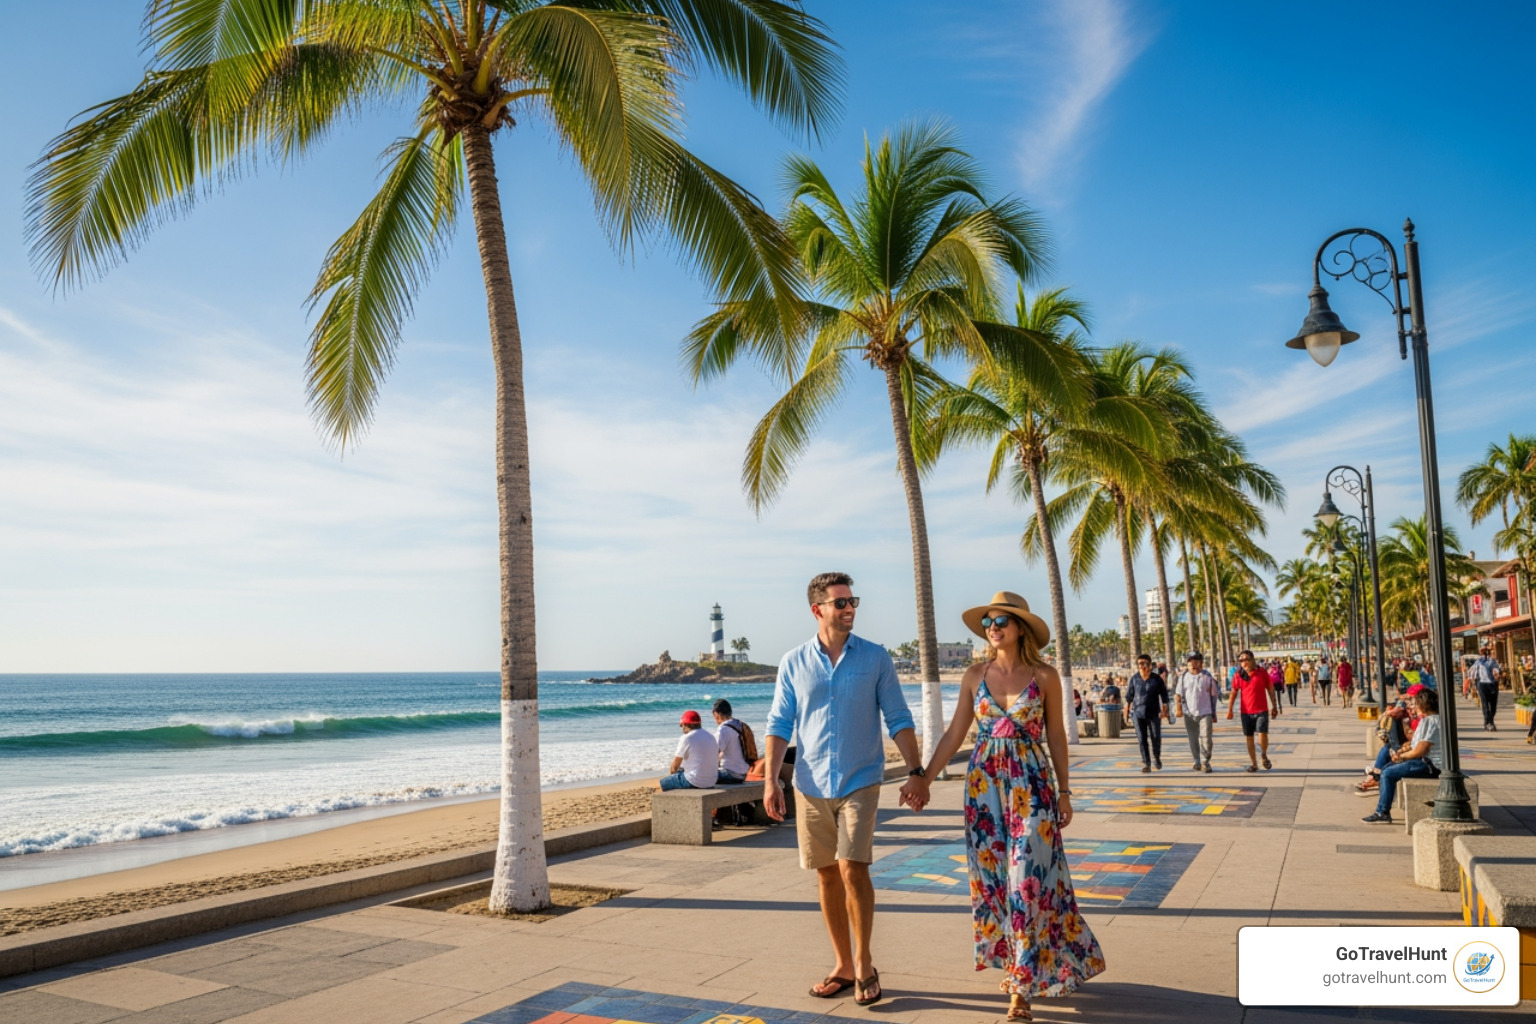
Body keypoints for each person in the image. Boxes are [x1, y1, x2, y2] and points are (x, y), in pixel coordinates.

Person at [901, 591, 1105, 1022]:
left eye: (1002, 620)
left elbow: (1057, 738)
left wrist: (1065, 792)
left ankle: (1022, 987)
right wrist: (924, 776)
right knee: (995, 882)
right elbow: (957, 733)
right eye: (989, 621)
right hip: (983, 790)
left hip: (1032, 787)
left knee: (1026, 879)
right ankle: (1018, 966)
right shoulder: (975, 675)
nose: (993, 626)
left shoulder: (1045, 676)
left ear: (1021, 629)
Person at [763, 572, 920, 1007]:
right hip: (810, 783)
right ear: (817, 610)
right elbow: (779, 725)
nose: (850, 608)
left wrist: (917, 770)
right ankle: (843, 965)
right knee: (826, 873)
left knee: (853, 867)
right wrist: (771, 780)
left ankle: (865, 962)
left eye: (853, 601)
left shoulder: (875, 658)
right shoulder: (793, 661)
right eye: (840, 603)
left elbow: (899, 717)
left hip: (860, 780)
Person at [1363, 688, 1443, 824]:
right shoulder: (1428, 720)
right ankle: (1381, 800)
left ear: (1423, 704)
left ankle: (1382, 812)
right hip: (1424, 761)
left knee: (1388, 772)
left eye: (1415, 703)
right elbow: (1415, 744)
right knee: (1387, 767)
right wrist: (1401, 752)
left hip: (1430, 765)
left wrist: (1402, 758)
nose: (1413, 706)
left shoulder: (1432, 722)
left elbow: (1421, 749)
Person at [1354, 684, 1426, 794]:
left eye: (1410, 699)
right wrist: (1390, 712)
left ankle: (1375, 781)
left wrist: (1403, 721)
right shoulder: (1412, 713)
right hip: (1404, 748)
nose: (1409, 703)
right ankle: (1374, 779)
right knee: (1387, 749)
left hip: (1419, 756)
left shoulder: (1424, 718)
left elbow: (1415, 741)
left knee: (1387, 764)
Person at [1227, 650, 1280, 771]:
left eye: (1246, 659)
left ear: (1252, 660)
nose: (1243, 662)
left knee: (1263, 734)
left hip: (1261, 709)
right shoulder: (1238, 675)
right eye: (1241, 660)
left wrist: (1274, 706)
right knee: (1249, 737)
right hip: (1246, 711)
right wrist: (1230, 709)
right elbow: (1233, 693)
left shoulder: (1262, 673)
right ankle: (1254, 763)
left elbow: (1270, 689)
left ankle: (1263, 754)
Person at [1175, 651, 1221, 772]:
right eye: (1190, 661)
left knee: (1206, 738)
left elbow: (1214, 696)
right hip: (1188, 713)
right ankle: (1197, 760)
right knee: (1193, 738)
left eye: (1195, 661)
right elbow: (1178, 694)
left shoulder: (1207, 677)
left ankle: (1206, 760)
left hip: (1205, 711)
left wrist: (1214, 713)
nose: (1192, 664)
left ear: (1201, 663)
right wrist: (1178, 709)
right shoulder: (1183, 677)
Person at [1126, 654, 1173, 772]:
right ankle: (1146, 763)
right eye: (1140, 664)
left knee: (1155, 737)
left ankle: (1156, 757)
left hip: (1154, 714)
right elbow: (1129, 698)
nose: (1142, 666)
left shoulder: (1156, 679)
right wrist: (1126, 715)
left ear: (1150, 665)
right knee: (1142, 739)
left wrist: (1165, 710)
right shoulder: (1134, 679)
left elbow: (1165, 696)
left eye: (1145, 663)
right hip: (1138, 714)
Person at [660, 710, 719, 791]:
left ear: (685, 724)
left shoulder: (686, 738)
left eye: (682, 725)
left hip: (695, 781)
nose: (682, 728)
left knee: (663, 783)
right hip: (711, 781)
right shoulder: (711, 737)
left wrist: (673, 777)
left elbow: (674, 767)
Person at [712, 699, 752, 785]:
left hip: (729, 774)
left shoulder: (723, 729)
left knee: (696, 777)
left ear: (716, 715)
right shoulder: (741, 725)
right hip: (743, 774)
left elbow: (712, 754)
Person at [1469, 646, 1503, 731]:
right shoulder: (1478, 661)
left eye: (1486, 650)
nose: (1485, 652)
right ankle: (1490, 723)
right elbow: (1472, 672)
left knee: (1493, 706)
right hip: (1482, 684)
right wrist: (1472, 685)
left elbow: (1497, 670)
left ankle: (1487, 721)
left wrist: (1498, 675)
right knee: (1485, 704)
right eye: (1483, 650)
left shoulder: (1493, 661)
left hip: (1492, 684)